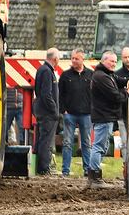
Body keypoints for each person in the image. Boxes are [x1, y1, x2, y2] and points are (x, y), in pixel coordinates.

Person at [89, 50, 129, 189]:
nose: (114, 64)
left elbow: (117, 79)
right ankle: (95, 178)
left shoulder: (106, 75)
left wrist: (128, 80)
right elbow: (115, 96)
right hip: (103, 117)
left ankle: (93, 178)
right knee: (98, 147)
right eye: (111, 61)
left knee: (102, 147)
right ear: (103, 61)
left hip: (106, 117)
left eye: (115, 61)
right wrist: (127, 93)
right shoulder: (101, 77)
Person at [58, 48, 93, 177]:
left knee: (87, 143)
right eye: (72, 58)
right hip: (70, 115)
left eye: (76, 58)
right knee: (67, 143)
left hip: (86, 114)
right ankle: (65, 171)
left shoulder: (91, 75)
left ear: (83, 59)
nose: (74, 61)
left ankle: (87, 171)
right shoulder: (65, 75)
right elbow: (60, 94)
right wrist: (64, 111)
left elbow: (95, 94)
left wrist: (92, 110)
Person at [33, 47, 60, 175]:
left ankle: (39, 167)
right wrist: (54, 110)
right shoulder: (47, 72)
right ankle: (44, 169)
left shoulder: (42, 69)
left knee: (41, 138)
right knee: (47, 141)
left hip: (41, 110)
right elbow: (46, 94)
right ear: (55, 58)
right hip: (47, 112)